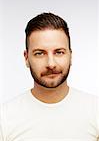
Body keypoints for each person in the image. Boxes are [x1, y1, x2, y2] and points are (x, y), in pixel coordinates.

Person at [0, 12, 99, 141]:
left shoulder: (96, 111)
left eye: (59, 52)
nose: (51, 64)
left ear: (70, 55)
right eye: (40, 53)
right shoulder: (4, 118)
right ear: (26, 58)